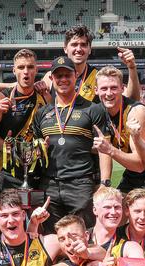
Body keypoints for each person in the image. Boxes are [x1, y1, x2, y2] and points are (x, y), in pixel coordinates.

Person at [33, 56, 108, 231]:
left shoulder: (93, 109)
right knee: (52, 236)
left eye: (67, 75)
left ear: (76, 76)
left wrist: (105, 184)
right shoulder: (42, 113)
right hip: (49, 185)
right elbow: (37, 151)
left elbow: (104, 149)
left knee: (84, 234)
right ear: (51, 79)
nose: (63, 80)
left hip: (80, 184)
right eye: (58, 76)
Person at [92, 66, 145, 197]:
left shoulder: (136, 112)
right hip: (132, 172)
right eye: (104, 88)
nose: (108, 93)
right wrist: (104, 183)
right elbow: (103, 150)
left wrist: (110, 150)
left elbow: (140, 165)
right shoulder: (99, 111)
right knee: (116, 210)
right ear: (96, 91)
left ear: (122, 88)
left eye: (113, 88)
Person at [0, 48, 50, 193]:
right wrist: (10, 150)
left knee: (38, 212)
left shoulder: (45, 97)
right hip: (8, 168)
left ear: (36, 70)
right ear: (13, 70)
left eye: (30, 67)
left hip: (40, 167)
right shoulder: (1, 98)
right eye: (21, 67)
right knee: (10, 212)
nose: (26, 71)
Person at [40, 24, 141, 102]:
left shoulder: (99, 76)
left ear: (90, 49)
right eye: (74, 44)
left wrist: (132, 68)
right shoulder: (50, 77)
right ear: (65, 49)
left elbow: (133, 100)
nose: (78, 49)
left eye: (83, 45)